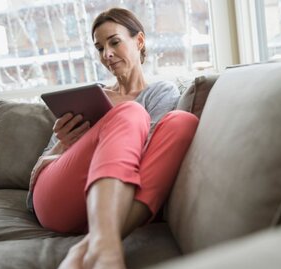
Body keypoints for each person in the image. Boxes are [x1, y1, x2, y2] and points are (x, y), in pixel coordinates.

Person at [27, 7, 199, 269]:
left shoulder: (160, 92)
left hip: (120, 207)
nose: (106, 54)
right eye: (99, 48)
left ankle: (94, 242)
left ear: (139, 41)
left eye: (114, 42)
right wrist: (64, 143)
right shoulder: (90, 97)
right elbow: (43, 163)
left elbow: (148, 159)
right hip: (58, 197)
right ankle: (106, 249)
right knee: (129, 112)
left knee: (183, 121)